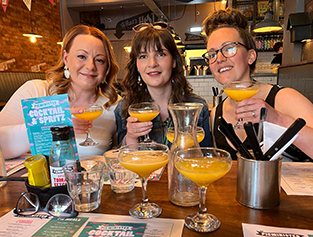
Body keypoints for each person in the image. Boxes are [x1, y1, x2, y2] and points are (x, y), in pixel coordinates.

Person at [202, 8, 313, 160]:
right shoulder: (216, 114)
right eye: (212, 54)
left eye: (229, 48)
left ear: (250, 56)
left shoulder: (283, 98)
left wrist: (276, 118)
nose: (219, 58)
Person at [0, 25, 120, 159]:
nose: (91, 66)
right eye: (81, 56)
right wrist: (53, 125)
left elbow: (119, 154)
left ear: (107, 67)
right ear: (66, 58)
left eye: (99, 60)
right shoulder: (36, 90)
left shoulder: (114, 105)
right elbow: (1, 145)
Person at [114, 22, 212, 147]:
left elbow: (203, 158)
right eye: (143, 56)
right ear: (136, 65)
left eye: (161, 54)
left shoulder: (196, 107)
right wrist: (131, 137)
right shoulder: (124, 108)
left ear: (174, 61)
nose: (152, 63)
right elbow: (123, 162)